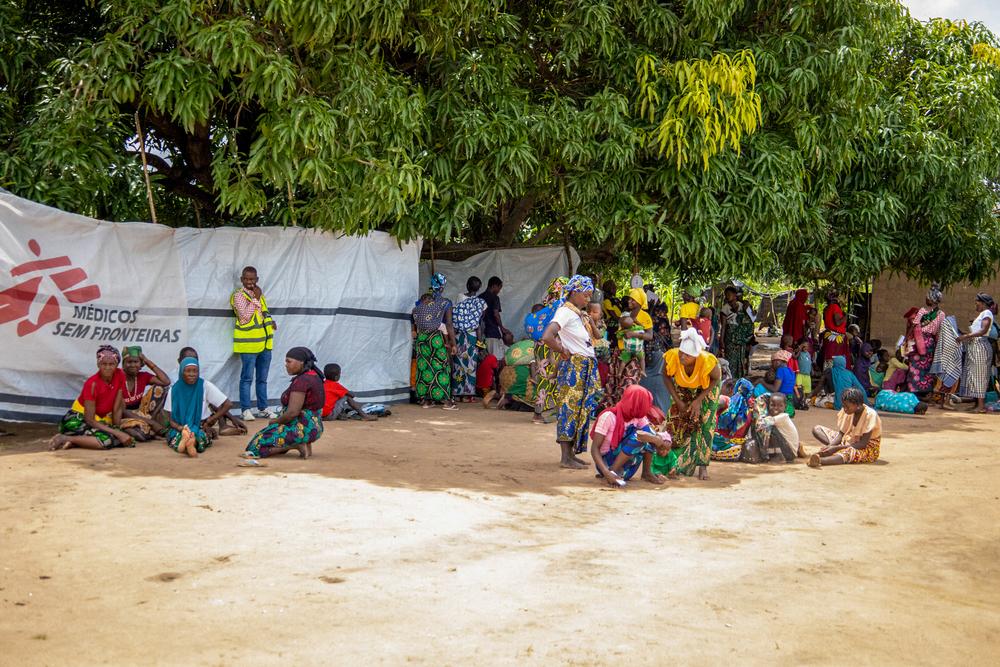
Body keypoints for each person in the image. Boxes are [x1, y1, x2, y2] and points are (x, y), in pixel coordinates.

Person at [541, 275, 602, 469]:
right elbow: (547, 336)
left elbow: (595, 337)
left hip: (584, 366)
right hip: (574, 367)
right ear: (574, 293)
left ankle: (571, 454)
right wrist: (562, 350)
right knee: (569, 409)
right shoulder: (565, 312)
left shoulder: (577, 314)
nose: (588, 299)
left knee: (580, 410)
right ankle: (565, 458)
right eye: (585, 295)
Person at [650, 328, 722, 481]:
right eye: (681, 353)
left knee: (705, 422)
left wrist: (698, 400)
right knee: (677, 419)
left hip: (707, 387)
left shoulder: (707, 361)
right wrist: (678, 401)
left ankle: (703, 465)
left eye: (687, 355)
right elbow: (666, 376)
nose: (682, 357)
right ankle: (673, 462)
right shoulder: (673, 357)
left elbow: (716, 379)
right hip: (682, 386)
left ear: (696, 356)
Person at [244, 347, 326, 459]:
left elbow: (292, 412)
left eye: (289, 361)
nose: (286, 365)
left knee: (254, 447)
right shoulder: (314, 375)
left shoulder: (302, 381)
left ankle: (296, 445)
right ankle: (305, 443)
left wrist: (275, 421)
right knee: (265, 435)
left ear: (301, 362)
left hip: (301, 428)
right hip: (314, 428)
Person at [49, 346, 134, 451]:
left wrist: (117, 429)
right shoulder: (92, 384)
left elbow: (117, 408)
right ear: (98, 364)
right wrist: (117, 433)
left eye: (111, 364)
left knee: (124, 439)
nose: (107, 367)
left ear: (117, 365)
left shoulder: (120, 375)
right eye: (104, 364)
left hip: (97, 421)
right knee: (106, 441)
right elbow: (89, 419)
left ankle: (77, 442)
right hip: (77, 421)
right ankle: (65, 438)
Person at [590, 385, 668, 487]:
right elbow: (594, 449)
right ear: (636, 404)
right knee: (639, 436)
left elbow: (650, 434)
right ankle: (612, 471)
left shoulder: (638, 417)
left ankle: (646, 472)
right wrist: (607, 473)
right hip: (607, 465)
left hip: (627, 468)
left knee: (649, 433)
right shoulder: (608, 417)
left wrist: (658, 439)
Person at [231, 266, 277, 421]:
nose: (250, 282)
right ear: (242, 280)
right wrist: (256, 299)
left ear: (257, 279)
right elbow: (244, 318)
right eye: (247, 279)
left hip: (264, 344)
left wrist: (270, 321)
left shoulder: (259, 294)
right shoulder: (238, 295)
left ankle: (263, 408)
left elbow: (264, 312)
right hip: (248, 345)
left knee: (262, 379)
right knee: (247, 378)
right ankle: (245, 410)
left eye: (252, 279)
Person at [163, 357, 233, 457]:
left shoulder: (205, 385)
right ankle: (191, 441)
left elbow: (228, 404)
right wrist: (182, 428)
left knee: (176, 439)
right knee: (201, 438)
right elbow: (170, 420)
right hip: (184, 428)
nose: (192, 374)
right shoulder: (173, 390)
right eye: (188, 371)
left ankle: (187, 441)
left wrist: (210, 420)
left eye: (195, 371)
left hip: (195, 427)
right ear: (182, 372)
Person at [176, 347, 247, 436]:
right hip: (182, 423)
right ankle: (207, 428)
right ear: (179, 361)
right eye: (187, 360)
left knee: (211, 400)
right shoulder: (175, 383)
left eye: (195, 360)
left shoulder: (201, 382)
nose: (191, 363)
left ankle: (221, 426)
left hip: (201, 420)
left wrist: (232, 418)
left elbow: (226, 404)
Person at [412, 273, 458, 409]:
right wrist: (453, 343)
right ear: (442, 287)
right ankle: (446, 402)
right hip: (436, 339)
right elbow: (449, 324)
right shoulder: (445, 302)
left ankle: (426, 400)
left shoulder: (420, 302)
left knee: (424, 367)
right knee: (441, 367)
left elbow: (414, 318)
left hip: (421, 339)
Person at [809, 387, 882, 468]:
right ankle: (831, 453)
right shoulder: (847, 411)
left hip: (867, 447)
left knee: (849, 452)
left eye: (847, 407)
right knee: (817, 429)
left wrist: (835, 448)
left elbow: (863, 444)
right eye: (843, 406)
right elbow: (841, 434)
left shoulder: (870, 415)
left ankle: (820, 461)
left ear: (857, 405)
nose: (845, 409)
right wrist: (830, 447)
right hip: (849, 440)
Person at [604, 287, 653, 406]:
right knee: (615, 382)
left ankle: (627, 410)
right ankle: (615, 411)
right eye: (629, 299)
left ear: (640, 302)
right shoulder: (625, 314)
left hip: (635, 355)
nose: (630, 302)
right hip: (620, 352)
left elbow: (649, 336)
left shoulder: (645, 317)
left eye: (633, 300)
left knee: (629, 384)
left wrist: (635, 334)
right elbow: (620, 332)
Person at [950, 293, 996, 413]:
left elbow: (983, 330)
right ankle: (977, 404)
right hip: (975, 346)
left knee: (980, 376)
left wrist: (966, 336)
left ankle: (981, 407)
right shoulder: (982, 314)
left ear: (983, 303)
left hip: (980, 347)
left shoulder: (987, 313)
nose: (976, 304)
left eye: (977, 302)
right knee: (974, 376)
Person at [118, 346, 170, 442]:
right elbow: (122, 411)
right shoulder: (117, 377)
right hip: (122, 415)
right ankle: (149, 429)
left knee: (160, 389)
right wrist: (152, 423)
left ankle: (148, 427)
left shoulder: (142, 376)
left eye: (136, 362)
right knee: (140, 435)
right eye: (129, 362)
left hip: (141, 414)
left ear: (141, 363)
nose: (133, 365)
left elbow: (166, 381)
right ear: (123, 364)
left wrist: (147, 361)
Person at [450, 278, 488, 403]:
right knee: (471, 365)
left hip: (459, 336)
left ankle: (457, 393)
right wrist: (481, 342)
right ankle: (469, 394)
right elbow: (480, 323)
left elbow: (455, 318)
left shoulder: (459, 297)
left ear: (467, 285)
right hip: (472, 336)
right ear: (479, 287)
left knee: (458, 364)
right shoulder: (481, 303)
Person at [905, 284, 945, 394]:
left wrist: (906, 339)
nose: (926, 299)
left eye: (927, 297)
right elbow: (939, 331)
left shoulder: (922, 311)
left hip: (919, 342)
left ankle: (913, 390)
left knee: (915, 366)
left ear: (931, 299)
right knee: (927, 367)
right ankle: (926, 391)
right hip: (930, 343)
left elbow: (914, 325)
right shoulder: (941, 314)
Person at [711, 378, 754, 461]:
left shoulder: (727, 400)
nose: (719, 389)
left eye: (721, 387)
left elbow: (715, 402)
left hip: (720, 445)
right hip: (736, 448)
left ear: (730, 389)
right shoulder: (750, 405)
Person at [719, 286, 755, 379]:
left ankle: (739, 380)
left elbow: (751, 320)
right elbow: (723, 326)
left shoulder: (743, 306)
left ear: (735, 295)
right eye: (726, 295)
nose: (727, 297)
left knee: (740, 360)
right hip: (730, 338)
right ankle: (730, 380)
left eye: (729, 295)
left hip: (741, 339)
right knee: (730, 360)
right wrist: (722, 340)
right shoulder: (724, 309)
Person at [757, 393, 802, 462]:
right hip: (788, 450)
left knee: (770, 429)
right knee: (770, 427)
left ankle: (774, 456)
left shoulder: (783, 417)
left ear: (785, 407)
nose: (776, 408)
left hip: (789, 452)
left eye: (780, 406)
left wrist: (758, 413)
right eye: (772, 405)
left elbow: (763, 423)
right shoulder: (778, 417)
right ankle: (773, 454)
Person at [479, 276, 510, 360]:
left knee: (485, 358)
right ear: (494, 286)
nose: (499, 291)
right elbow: (496, 314)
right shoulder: (495, 298)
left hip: (480, 333)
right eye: (499, 288)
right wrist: (502, 328)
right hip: (492, 332)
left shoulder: (479, 297)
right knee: (497, 358)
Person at [820, 290, 851, 370]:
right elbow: (837, 323)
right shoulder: (835, 307)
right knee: (837, 361)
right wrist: (846, 316)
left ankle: (828, 378)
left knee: (829, 360)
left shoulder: (827, 308)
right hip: (836, 339)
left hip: (830, 337)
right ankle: (836, 379)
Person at [761, 349, 797, 414]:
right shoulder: (791, 371)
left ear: (778, 361)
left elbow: (775, 389)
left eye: (773, 362)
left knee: (760, 388)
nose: (772, 364)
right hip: (790, 402)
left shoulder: (780, 370)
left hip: (781, 399)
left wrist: (761, 381)